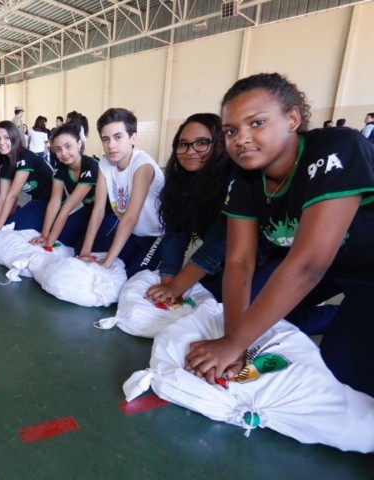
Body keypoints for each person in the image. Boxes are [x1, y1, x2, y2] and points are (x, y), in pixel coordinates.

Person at [185, 72, 374, 398]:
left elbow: (308, 265)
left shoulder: (337, 148)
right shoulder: (245, 178)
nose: (241, 138)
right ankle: (337, 319)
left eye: (256, 123)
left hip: (367, 272)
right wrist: (235, 341)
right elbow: (239, 262)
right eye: (231, 131)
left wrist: (233, 343)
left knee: (345, 376)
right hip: (329, 269)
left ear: (292, 119)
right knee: (250, 315)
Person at [145, 114, 236, 303]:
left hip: (256, 260)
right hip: (221, 261)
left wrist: (176, 287)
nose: (190, 151)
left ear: (220, 144)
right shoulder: (182, 181)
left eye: (202, 143)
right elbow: (175, 234)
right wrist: (167, 283)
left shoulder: (234, 180)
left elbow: (218, 244)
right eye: (183, 144)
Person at [77, 108, 164, 277]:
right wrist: (85, 253)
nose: (111, 145)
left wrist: (106, 263)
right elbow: (98, 210)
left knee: (132, 275)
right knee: (93, 258)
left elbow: (130, 217)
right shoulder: (105, 164)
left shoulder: (142, 166)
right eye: (106, 139)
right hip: (132, 233)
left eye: (118, 137)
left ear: (133, 138)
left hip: (156, 236)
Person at [30, 123, 99, 251]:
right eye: (58, 149)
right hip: (88, 211)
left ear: (79, 144)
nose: (63, 153)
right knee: (63, 239)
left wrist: (47, 246)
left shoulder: (91, 166)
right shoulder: (61, 168)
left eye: (68, 146)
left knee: (79, 247)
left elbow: (66, 209)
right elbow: (55, 201)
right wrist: (44, 235)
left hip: (107, 214)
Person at [0, 121, 54, 235]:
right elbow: (3, 197)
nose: (1, 142)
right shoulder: (4, 163)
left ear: (15, 137)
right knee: (10, 225)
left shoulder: (24, 157)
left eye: (6, 137)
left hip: (53, 203)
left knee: (20, 230)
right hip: (37, 201)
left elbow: (12, 195)